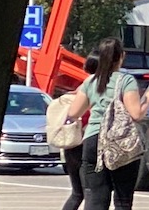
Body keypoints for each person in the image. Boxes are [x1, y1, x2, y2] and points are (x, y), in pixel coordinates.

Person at [64, 39, 149, 210]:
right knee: (122, 200)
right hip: (120, 142)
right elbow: (136, 114)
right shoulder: (126, 81)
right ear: (121, 57)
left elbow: (73, 113)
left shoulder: (90, 82)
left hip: (93, 141)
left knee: (95, 198)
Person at [58, 54, 99, 210]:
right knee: (90, 192)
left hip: (70, 142)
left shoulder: (76, 91)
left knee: (77, 193)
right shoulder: (93, 89)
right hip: (85, 143)